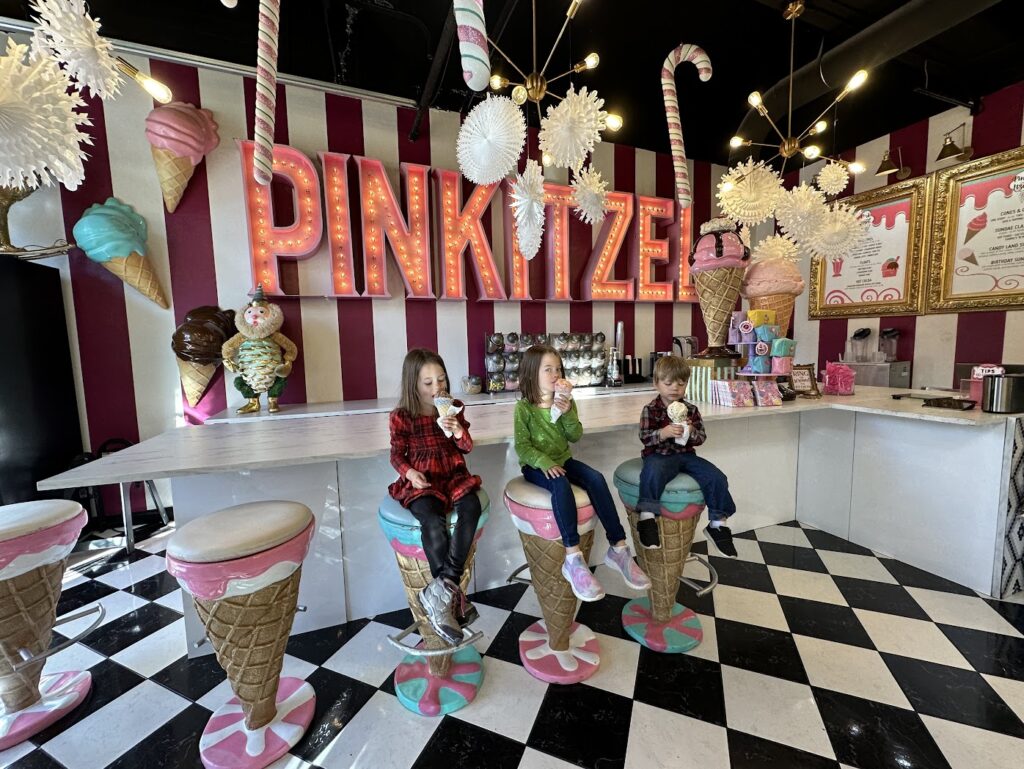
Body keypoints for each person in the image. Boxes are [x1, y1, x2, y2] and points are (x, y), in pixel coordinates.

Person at [514, 344, 651, 601]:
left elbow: (575, 435)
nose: (556, 374)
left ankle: (618, 548)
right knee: (560, 484)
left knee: (595, 478)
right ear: (532, 374)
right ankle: (573, 557)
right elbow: (523, 447)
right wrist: (544, 463)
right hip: (536, 467)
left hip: (564, 459)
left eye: (558, 369)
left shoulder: (567, 401)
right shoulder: (524, 408)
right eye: (548, 369)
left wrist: (566, 413)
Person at [389, 348, 481, 645]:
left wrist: (456, 431)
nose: (437, 388)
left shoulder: (454, 408)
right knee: (432, 518)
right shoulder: (403, 416)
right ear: (412, 385)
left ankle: (444, 587)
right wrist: (410, 473)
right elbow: (396, 455)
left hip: (453, 474)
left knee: (471, 507)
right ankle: (450, 597)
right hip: (424, 479)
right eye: (428, 383)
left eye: (441, 380)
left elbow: (467, 447)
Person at [637, 355, 737, 556]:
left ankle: (718, 523)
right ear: (657, 384)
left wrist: (691, 431)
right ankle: (647, 517)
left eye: (681, 384)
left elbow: (701, 438)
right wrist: (662, 433)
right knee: (653, 471)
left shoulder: (691, 410)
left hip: (686, 455)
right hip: (659, 455)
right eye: (668, 383)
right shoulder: (651, 410)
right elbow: (645, 437)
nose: (675, 388)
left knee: (715, 476)